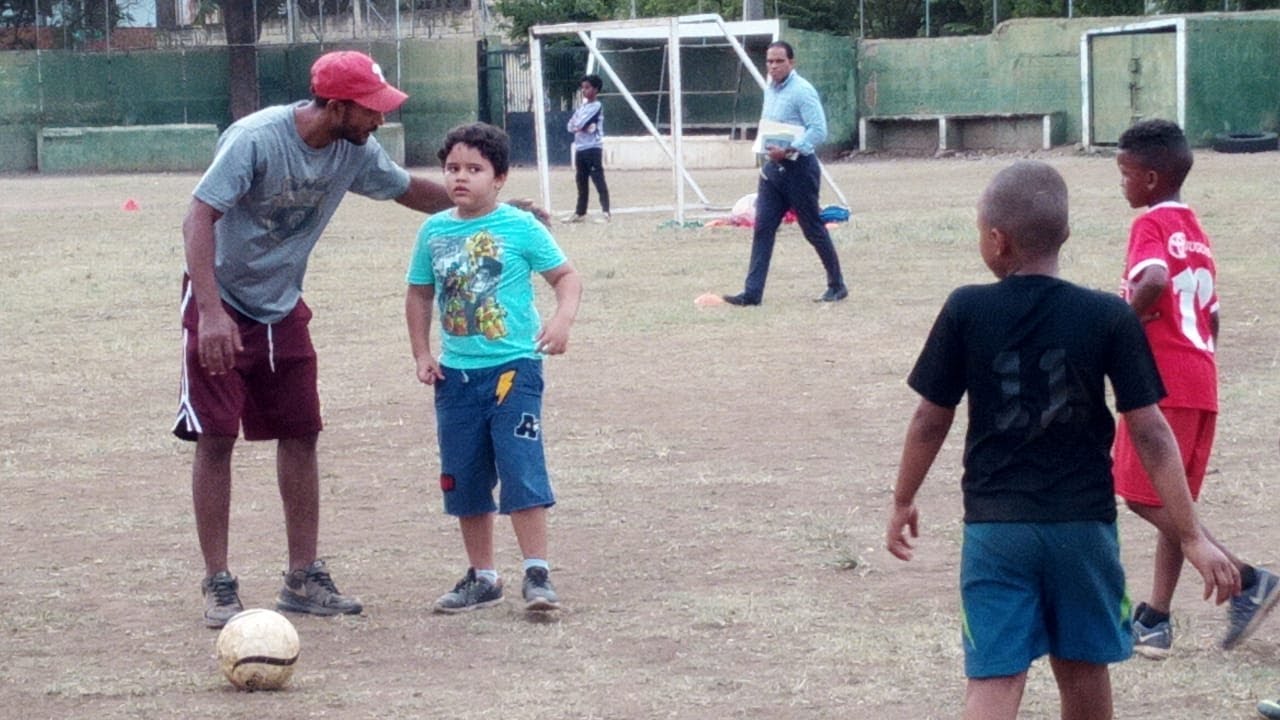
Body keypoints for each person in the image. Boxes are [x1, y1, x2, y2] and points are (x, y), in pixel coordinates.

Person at [884, 160, 1238, 720]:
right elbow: (1150, 431)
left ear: (996, 241)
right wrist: (1191, 535)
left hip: (997, 531)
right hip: (1083, 528)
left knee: (995, 679)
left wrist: (903, 499)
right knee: (1083, 672)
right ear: (1065, 234)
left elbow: (931, 417)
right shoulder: (1107, 315)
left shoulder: (966, 309)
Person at [175, 50, 464, 628]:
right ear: (335, 107)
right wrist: (210, 312)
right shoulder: (255, 139)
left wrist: (484, 207)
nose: (379, 120)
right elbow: (197, 216)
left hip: (282, 304)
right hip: (221, 302)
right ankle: (219, 582)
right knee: (216, 439)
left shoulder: (354, 149)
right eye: (371, 110)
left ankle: (303, 578)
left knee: (302, 433)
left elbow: (405, 190)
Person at [1111, 118, 1280, 658]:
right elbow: (1214, 318)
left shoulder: (1151, 227)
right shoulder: (1196, 230)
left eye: (1125, 173)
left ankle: (1249, 580)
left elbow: (1154, 281)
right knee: (1175, 499)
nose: (1122, 183)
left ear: (1152, 178)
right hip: (1200, 376)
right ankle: (1156, 620)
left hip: (1162, 381)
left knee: (1141, 496)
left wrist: (1116, 330)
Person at [405, 122, 582, 614]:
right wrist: (422, 353)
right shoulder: (434, 230)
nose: (460, 178)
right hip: (456, 377)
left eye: (474, 169)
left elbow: (566, 277)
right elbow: (419, 293)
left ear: (499, 177)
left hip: (514, 371)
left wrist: (562, 320)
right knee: (464, 475)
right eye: (452, 168)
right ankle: (483, 576)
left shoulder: (521, 227)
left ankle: (536, 573)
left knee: (521, 467)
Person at [722, 41, 846, 306]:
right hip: (772, 173)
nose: (773, 66)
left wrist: (790, 149)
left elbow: (818, 130)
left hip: (799, 170)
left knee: (812, 228)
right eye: (769, 62)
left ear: (792, 62)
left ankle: (837, 285)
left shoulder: (803, 91)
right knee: (763, 229)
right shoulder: (771, 89)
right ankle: (752, 293)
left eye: (779, 61)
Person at [565, 74, 610, 223]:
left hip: (593, 147)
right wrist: (579, 127)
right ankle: (580, 212)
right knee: (581, 180)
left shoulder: (597, 106)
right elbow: (570, 125)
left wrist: (580, 126)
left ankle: (606, 212)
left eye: (587, 87)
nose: (584, 91)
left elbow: (581, 124)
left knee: (598, 179)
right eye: (583, 88)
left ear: (596, 89)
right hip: (581, 148)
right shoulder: (582, 107)